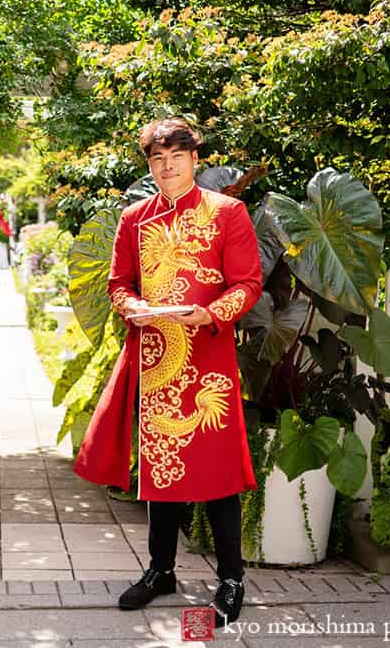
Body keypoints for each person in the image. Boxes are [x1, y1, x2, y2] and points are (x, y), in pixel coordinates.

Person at [73, 118, 262, 627]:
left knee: (218, 474)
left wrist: (212, 313)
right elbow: (119, 283)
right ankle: (161, 571)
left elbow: (247, 283)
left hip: (208, 362)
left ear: (194, 160)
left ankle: (231, 579)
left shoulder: (228, 212)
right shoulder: (135, 218)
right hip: (156, 356)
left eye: (176, 157)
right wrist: (132, 305)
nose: (166, 166)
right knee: (161, 472)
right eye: (157, 159)